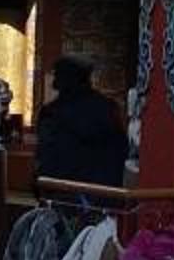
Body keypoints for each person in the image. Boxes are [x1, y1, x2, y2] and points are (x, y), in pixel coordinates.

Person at [33, 55, 129, 189]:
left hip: (63, 190)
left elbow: (46, 157)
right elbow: (121, 150)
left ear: (65, 79)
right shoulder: (108, 108)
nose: (54, 80)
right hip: (103, 191)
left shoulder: (52, 113)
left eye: (57, 75)